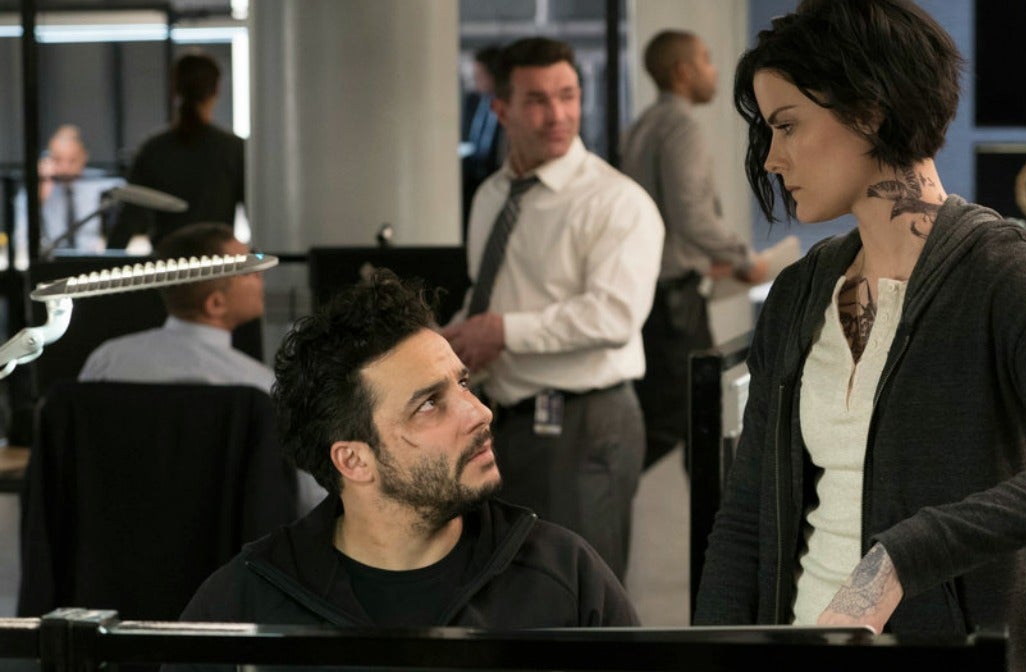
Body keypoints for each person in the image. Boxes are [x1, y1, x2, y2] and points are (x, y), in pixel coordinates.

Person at [692, 0, 1026, 672]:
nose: (773, 158)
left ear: (869, 111)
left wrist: (902, 556)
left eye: (787, 126)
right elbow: (747, 518)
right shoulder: (799, 292)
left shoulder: (1005, 273)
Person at [178, 268, 639, 628]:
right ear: (354, 460)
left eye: (463, 384)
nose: (480, 413)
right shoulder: (247, 604)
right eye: (429, 404)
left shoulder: (564, 579)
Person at [443, 36, 664, 580]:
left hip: (585, 424)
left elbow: (615, 316)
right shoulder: (491, 195)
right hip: (502, 419)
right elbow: (493, 292)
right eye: (537, 100)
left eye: (568, 96)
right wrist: (452, 341)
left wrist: (502, 332)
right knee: (508, 585)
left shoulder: (616, 201)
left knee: (580, 592)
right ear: (502, 109)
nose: (558, 115)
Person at [621, 29, 767, 470]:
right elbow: (691, 216)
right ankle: (599, 491)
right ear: (683, 72)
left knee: (679, 418)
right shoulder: (681, 126)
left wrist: (706, 261)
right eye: (706, 59)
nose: (715, 70)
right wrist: (744, 258)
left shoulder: (642, 125)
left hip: (655, 295)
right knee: (686, 417)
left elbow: (662, 217)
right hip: (675, 306)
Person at [79, 222, 270, 391]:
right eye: (247, 270)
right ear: (215, 304)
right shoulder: (257, 384)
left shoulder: (107, 362)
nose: (259, 274)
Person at [108, 51, 245, 249]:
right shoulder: (233, 148)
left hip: (168, 260)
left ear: (174, 90)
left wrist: (105, 260)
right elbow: (256, 212)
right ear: (216, 90)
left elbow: (129, 217)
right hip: (216, 260)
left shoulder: (153, 149)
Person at [12, 124, 124, 262]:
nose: (65, 168)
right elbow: (21, 243)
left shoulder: (100, 183)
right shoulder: (37, 191)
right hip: (51, 263)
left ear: (84, 157)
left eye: (72, 160)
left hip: (94, 260)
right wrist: (38, 199)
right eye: (57, 159)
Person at [461, 44, 505, 241]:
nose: (476, 80)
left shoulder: (508, 106)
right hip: (470, 177)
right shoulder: (472, 100)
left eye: (479, 75)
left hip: (495, 175)